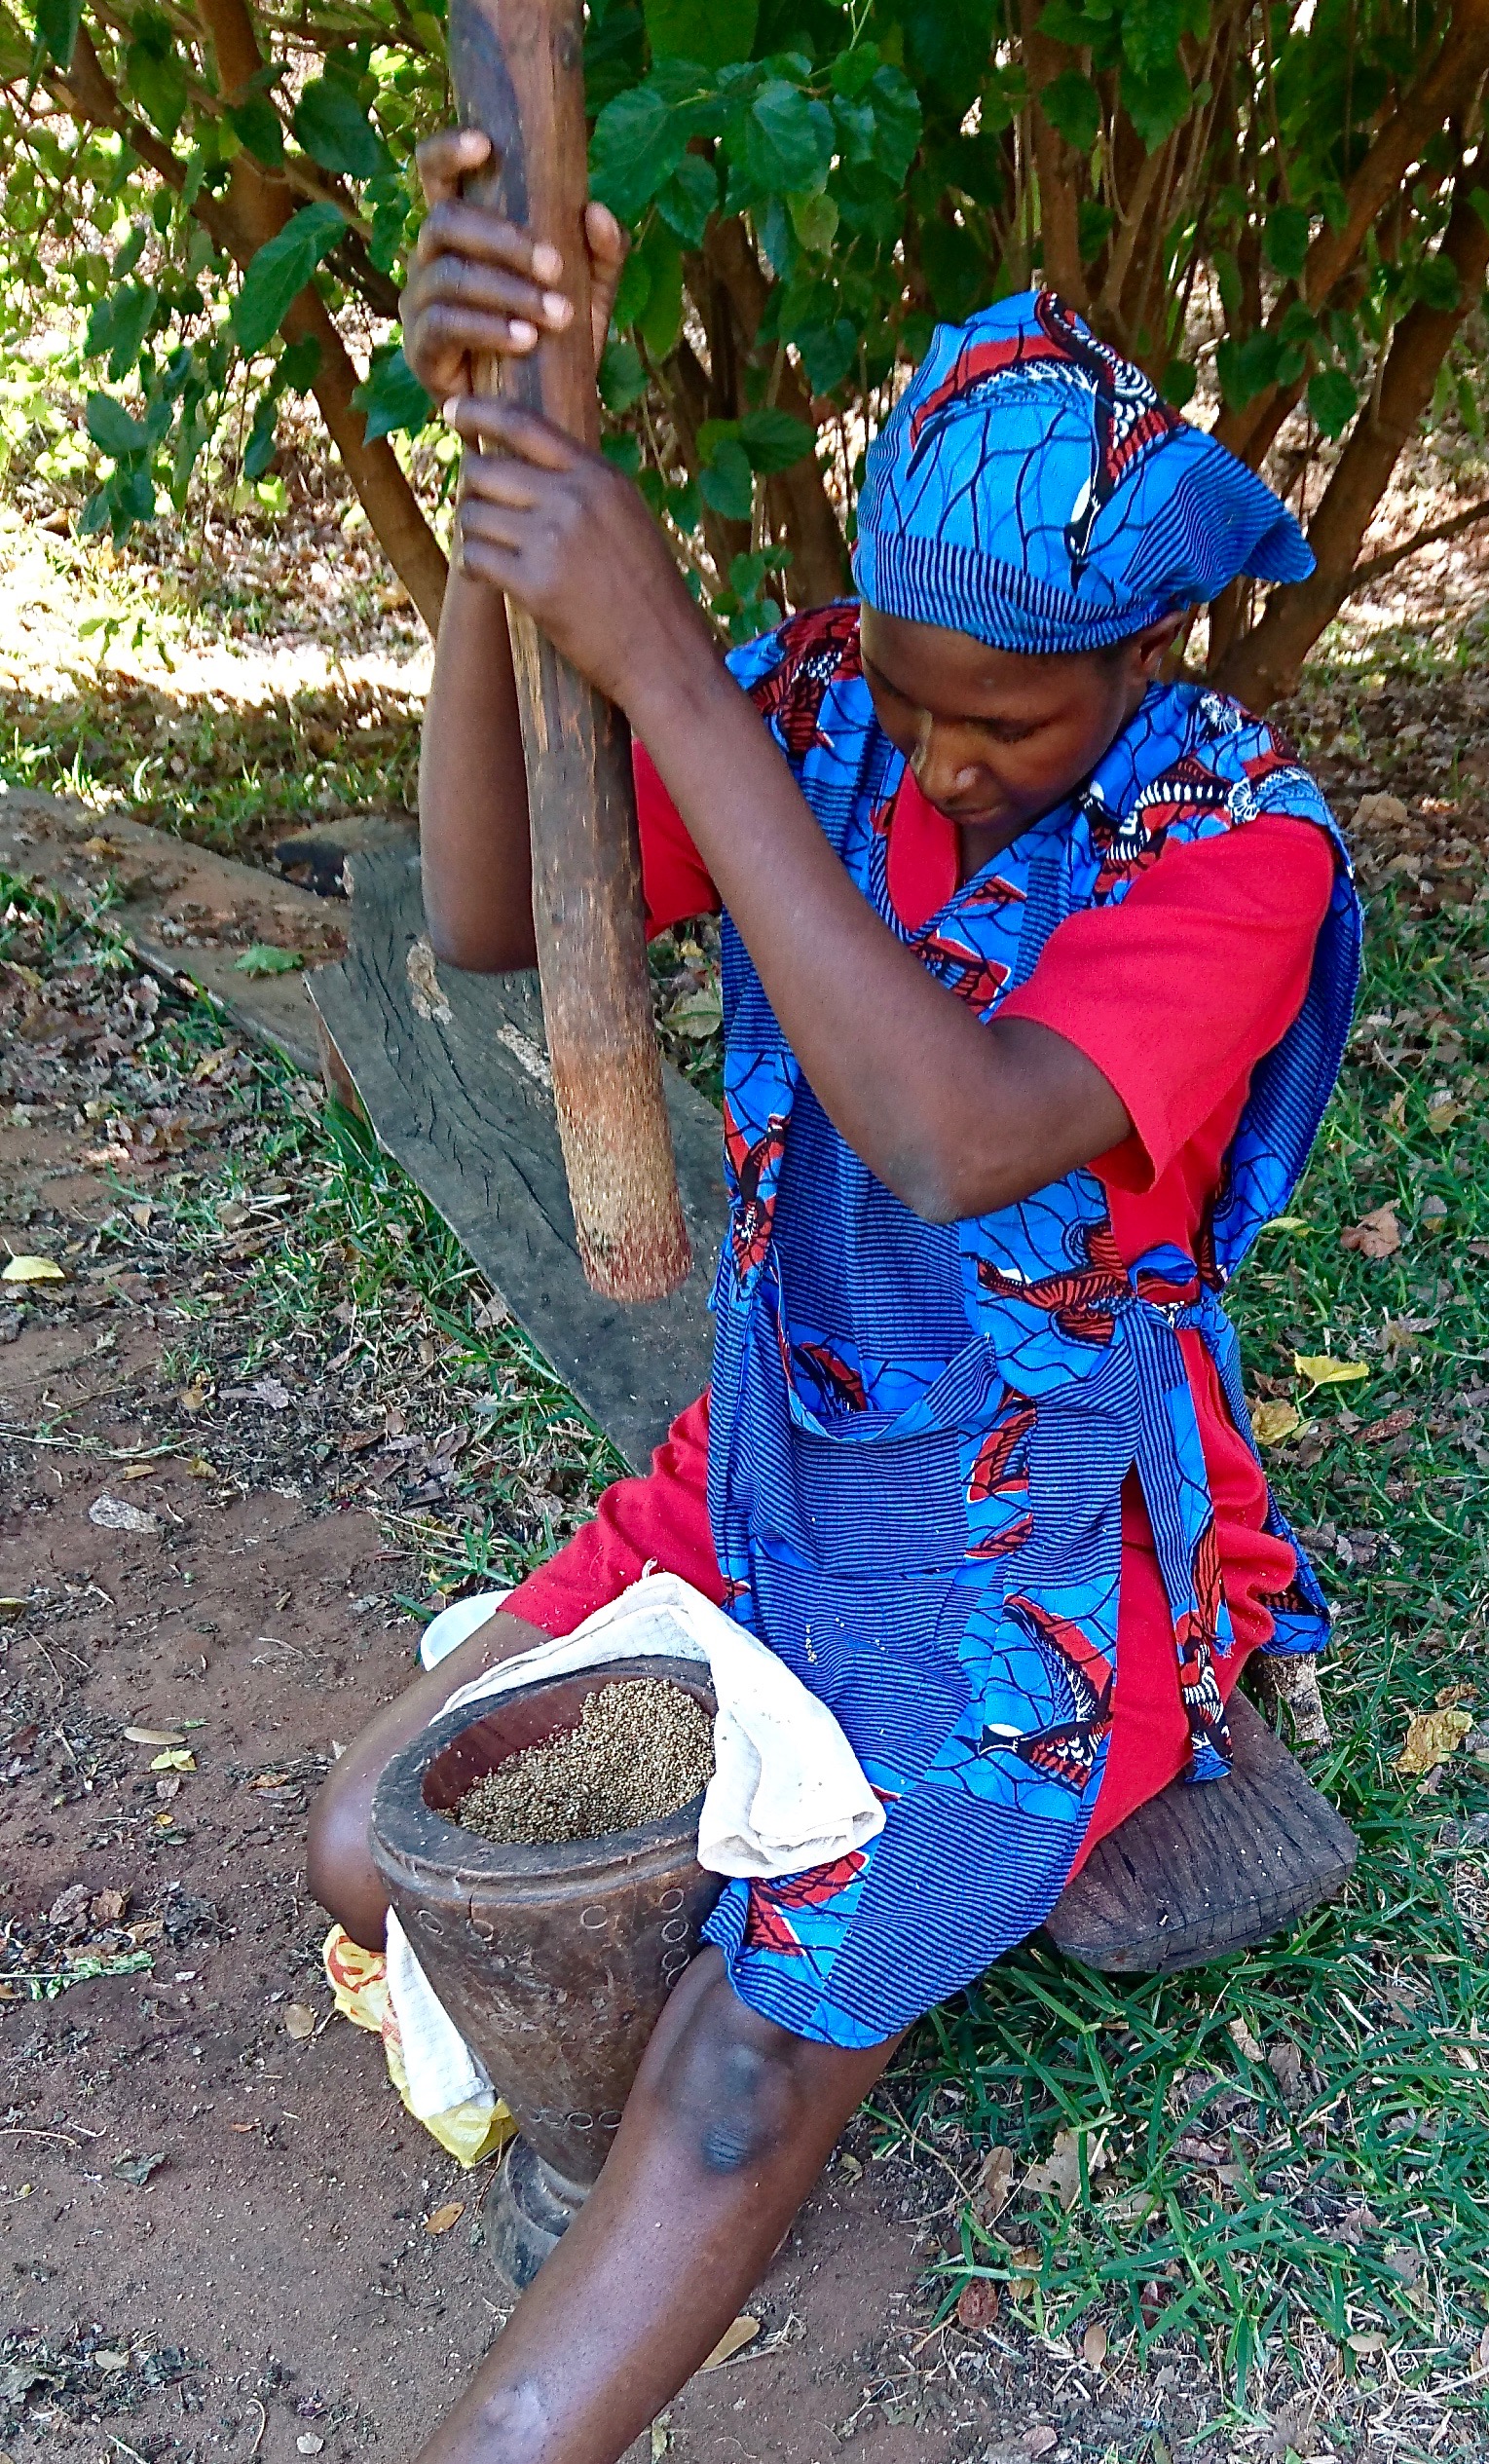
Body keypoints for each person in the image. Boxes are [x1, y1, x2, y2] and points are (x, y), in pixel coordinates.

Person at [308, 126, 1361, 2464]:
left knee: (739, 2067)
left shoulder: (1236, 839)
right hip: (768, 1478)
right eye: (920, 702)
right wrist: (511, 523)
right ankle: (703, 1938)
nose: (953, 761)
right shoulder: (829, 716)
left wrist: (667, 667)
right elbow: (495, 907)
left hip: (1024, 1563)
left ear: (1149, 653)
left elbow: (958, 1125)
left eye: (1013, 720)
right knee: (380, 1843)